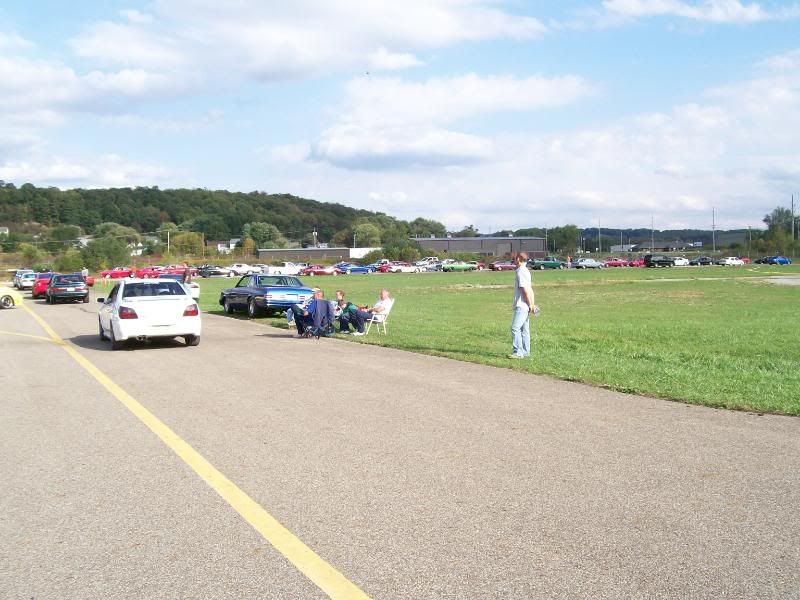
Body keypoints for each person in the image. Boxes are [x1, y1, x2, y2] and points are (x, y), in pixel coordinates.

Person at [510, 252, 535, 359]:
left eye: (515, 258)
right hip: (526, 305)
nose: (513, 260)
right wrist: (532, 304)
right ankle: (525, 351)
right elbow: (530, 289)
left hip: (522, 305)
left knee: (515, 328)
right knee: (524, 330)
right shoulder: (526, 271)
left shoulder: (521, 271)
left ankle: (518, 352)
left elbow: (524, 290)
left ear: (519, 259)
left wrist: (530, 304)